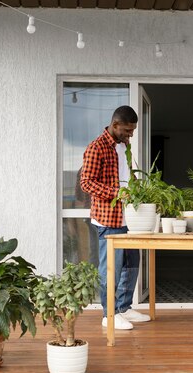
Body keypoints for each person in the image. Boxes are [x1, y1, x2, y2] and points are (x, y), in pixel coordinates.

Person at [80, 105, 150, 330]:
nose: (130, 135)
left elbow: (126, 176)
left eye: (132, 131)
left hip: (128, 217)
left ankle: (124, 307)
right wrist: (117, 193)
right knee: (111, 266)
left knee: (132, 263)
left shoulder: (124, 145)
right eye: (128, 130)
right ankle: (108, 314)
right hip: (108, 218)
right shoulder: (96, 148)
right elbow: (86, 182)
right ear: (115, 124)